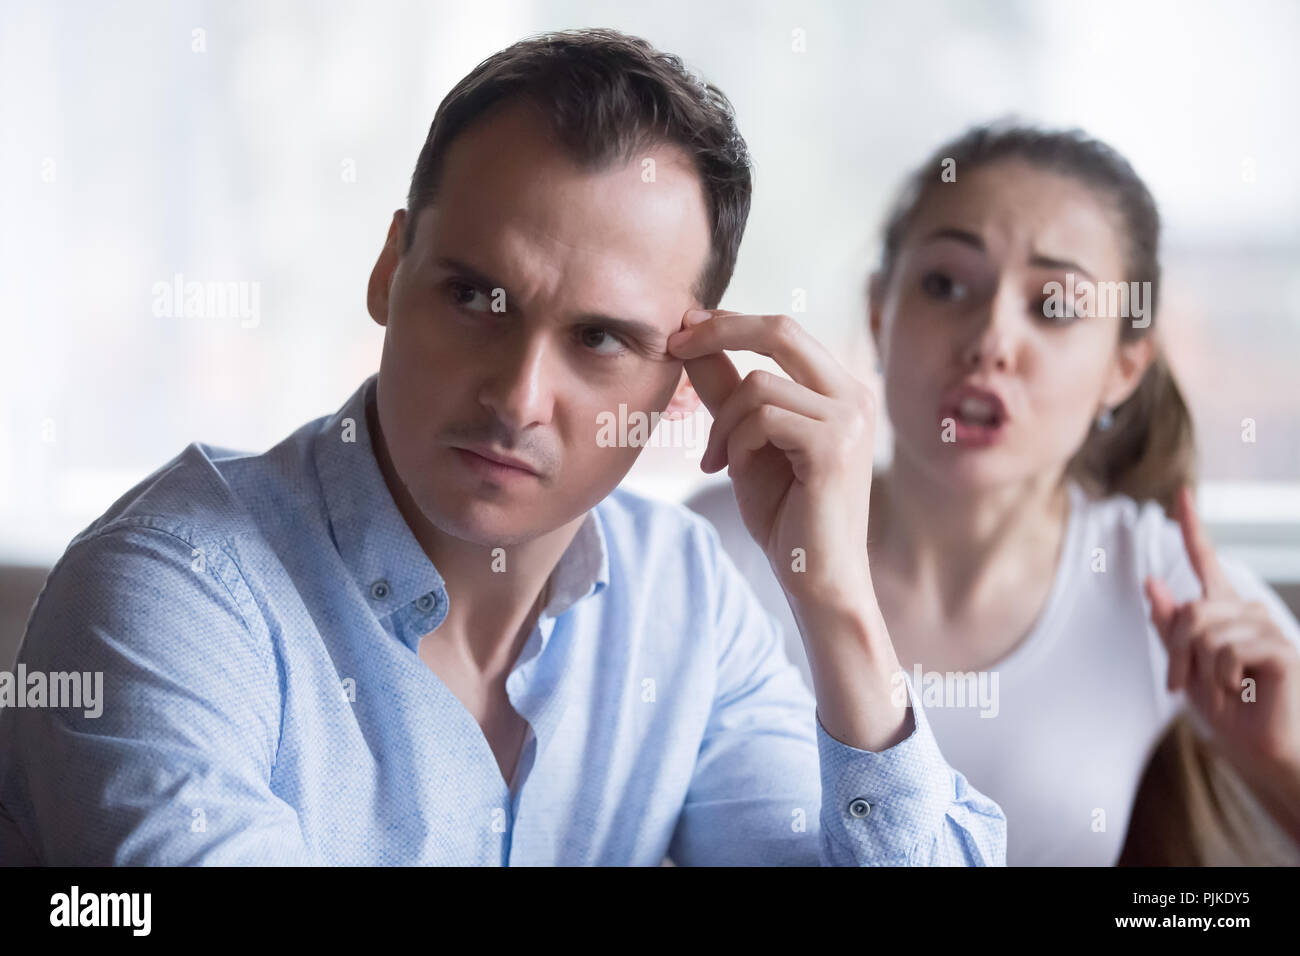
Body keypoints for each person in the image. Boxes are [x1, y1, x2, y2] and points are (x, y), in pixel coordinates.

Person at [0, 30, 1004, 866]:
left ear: (684, 372)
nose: (518, 397)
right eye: (478, 296)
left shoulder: (684, 604)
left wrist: (838, 607)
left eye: (600, 338)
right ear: (391, 268)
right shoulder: (171, 594)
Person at [687, 122, 1300, 866]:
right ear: (880, 314)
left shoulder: (1172, 595)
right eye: (946, 285)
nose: (990, 339)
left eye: (1054, 307)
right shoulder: (714, 553)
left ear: (1125, 368)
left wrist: (1276, 758)